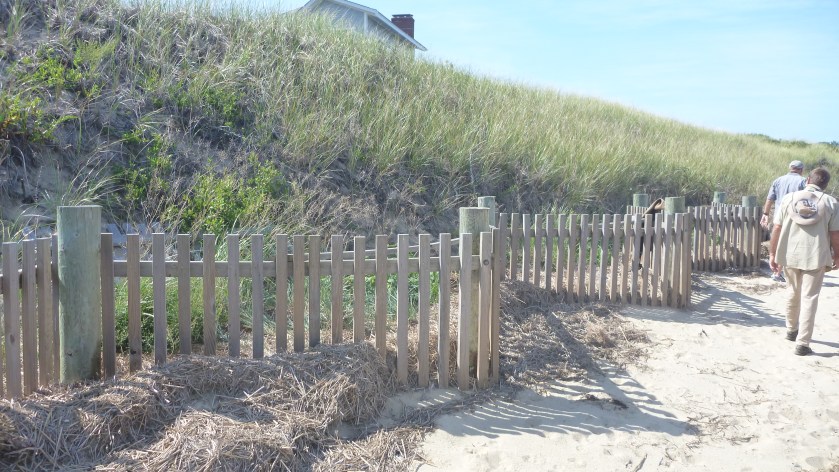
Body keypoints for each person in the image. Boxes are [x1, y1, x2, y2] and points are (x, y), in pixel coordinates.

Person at [768, 167, 839, 356]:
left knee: (792, 291)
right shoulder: (831, 202)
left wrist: (772, 253)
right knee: (810, 297)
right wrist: (837, 255)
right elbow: (835, 234)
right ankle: (803, 343)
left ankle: (791, 330)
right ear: (825, 184)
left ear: (808, 179)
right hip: (816, 255)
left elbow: (776, 228)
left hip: (791, 254)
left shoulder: (788, 199)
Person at [761, 160, 806, 281]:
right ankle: (779, 272)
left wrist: (765, 213)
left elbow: (770, 199)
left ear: (790, 168)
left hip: (778, 217)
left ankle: (776, 271)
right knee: (787, 245)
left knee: (777, 243)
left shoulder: (778, 180)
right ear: (801, 170)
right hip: (794, 218)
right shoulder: (803, 181)